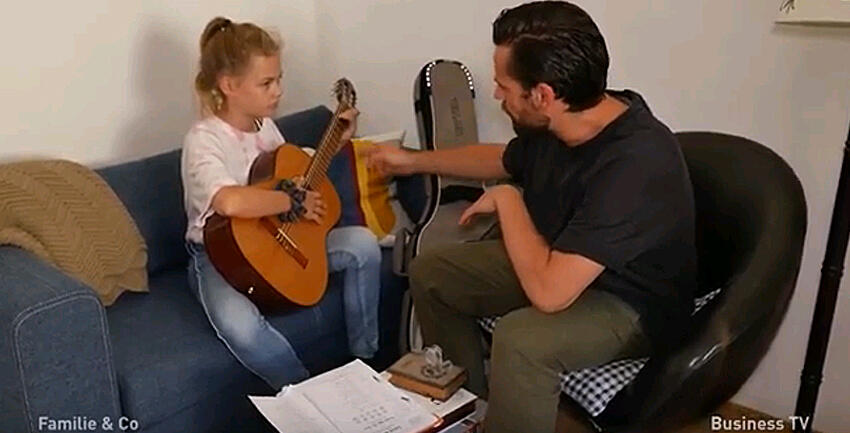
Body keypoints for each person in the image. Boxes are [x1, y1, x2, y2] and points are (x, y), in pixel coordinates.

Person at [364, 2, 697, 432]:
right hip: (563, 258)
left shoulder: (635, 162)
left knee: (523, 340)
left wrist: (508, 200)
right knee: (433, 272)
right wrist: (411, 161)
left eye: (503, 86)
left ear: (542, 95)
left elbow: (550, 294)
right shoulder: (564, 118)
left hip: (629, 302)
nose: (496, 95)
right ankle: (470, 413)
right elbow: (501, 159)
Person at [181, 17, 381, 391]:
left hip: (273, 239)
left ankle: (366, 361)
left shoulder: (265, 127)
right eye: (267, 83)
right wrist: (289, 200)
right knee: (239, 325)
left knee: (363, 246)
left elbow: (292, 173)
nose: (279, 91)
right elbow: (229, 200)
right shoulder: (204, 139)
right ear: (229, 85)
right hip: (218, 255)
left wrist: (335, 142)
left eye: (279, 79)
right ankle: (305, 394)